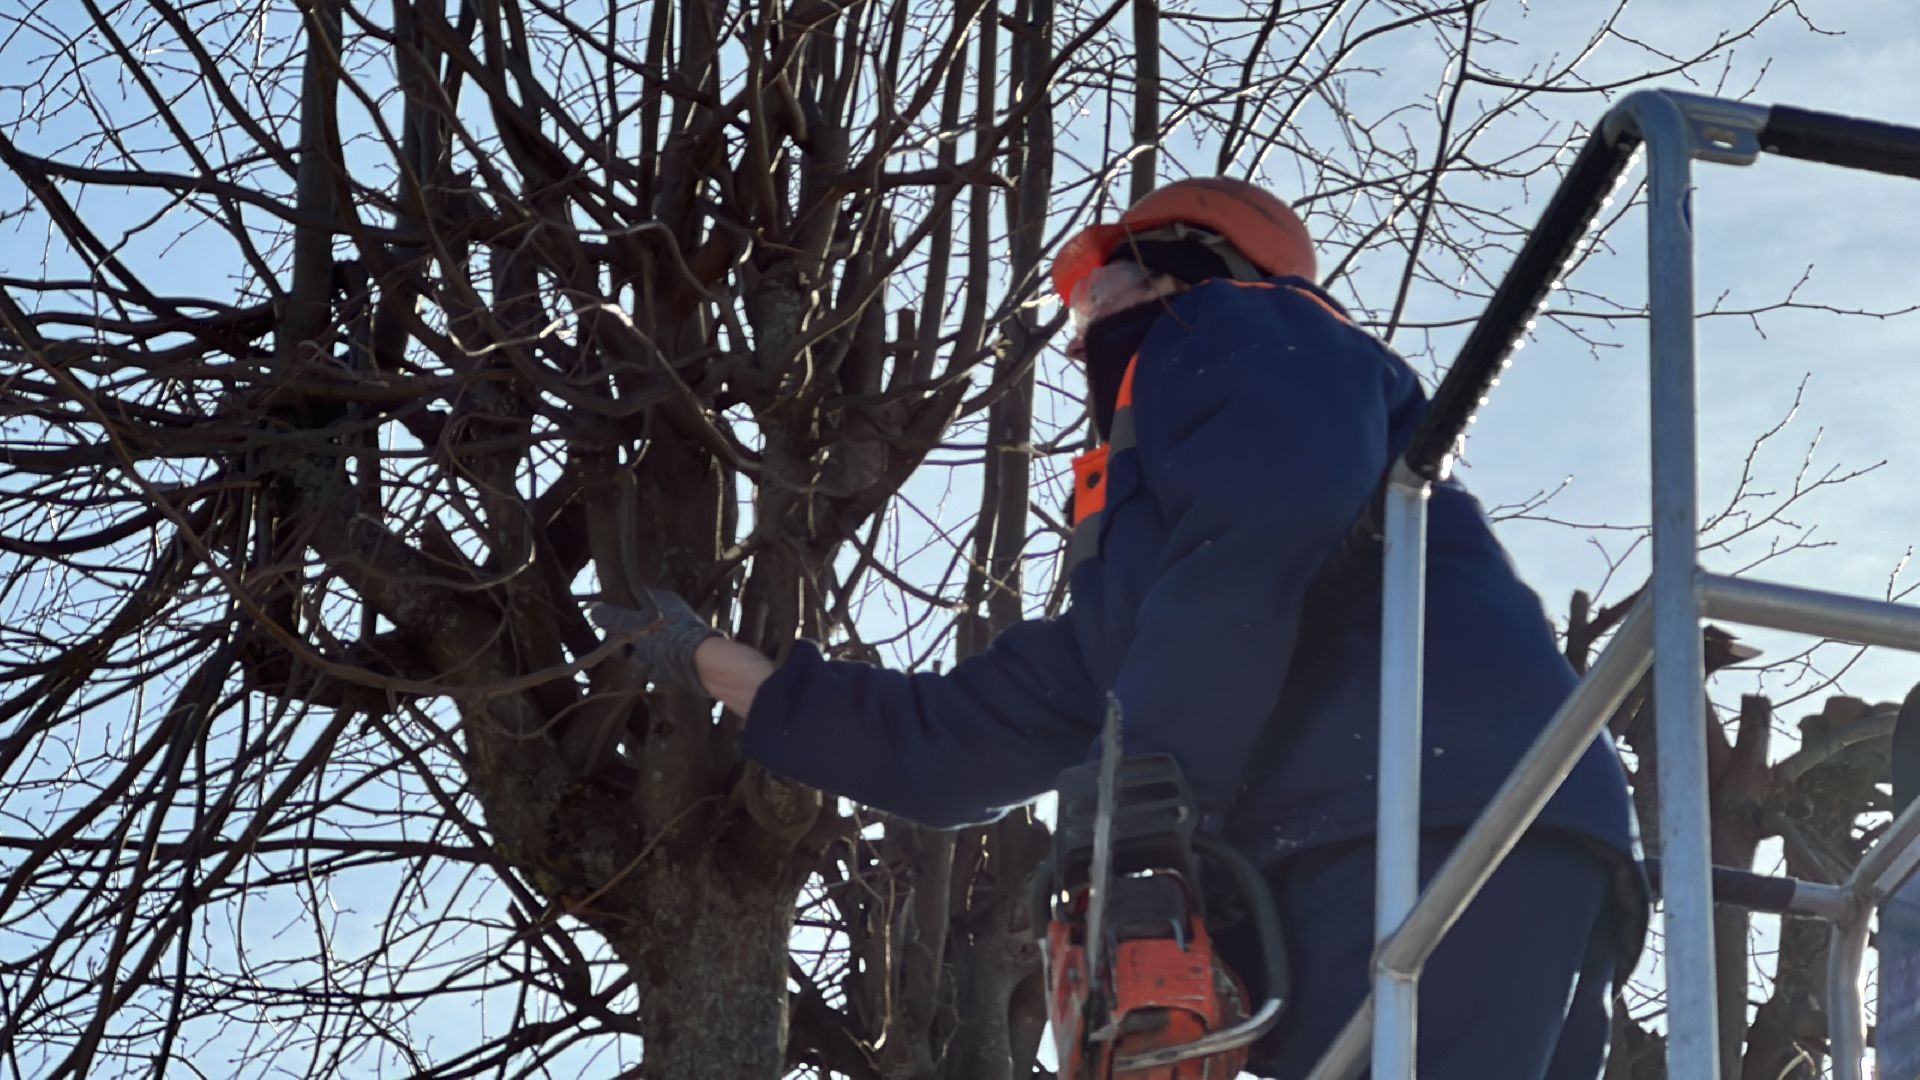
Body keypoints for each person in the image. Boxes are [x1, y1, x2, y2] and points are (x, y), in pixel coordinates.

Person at [592, 178, 1647, 1079]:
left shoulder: (1243, 327)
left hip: (1422, 819)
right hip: (1452, 830)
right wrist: (715, 666)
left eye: (1101, 291)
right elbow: (982, 735)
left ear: (1188, 270)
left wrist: (1144, 804)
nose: (1082, 332)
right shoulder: (1164, 566)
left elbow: (1263, 528)